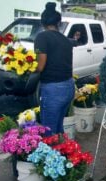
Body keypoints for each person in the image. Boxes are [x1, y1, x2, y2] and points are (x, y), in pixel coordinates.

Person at [34, 2, 74, 136]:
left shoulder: (42, 37)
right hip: (68, 87)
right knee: (58, 127)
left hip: (53, 89)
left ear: (43, 22)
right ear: (59, 22)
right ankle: (63, 152)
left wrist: (27, 69)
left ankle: (54, 154)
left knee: (49, 132)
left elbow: (41, 66)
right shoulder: (65, 40)